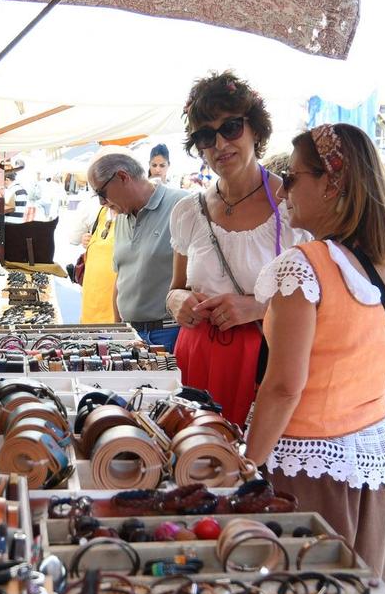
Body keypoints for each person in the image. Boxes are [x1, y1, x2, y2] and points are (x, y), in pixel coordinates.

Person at [243, 124, 385, 586]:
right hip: (373, 462)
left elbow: (284, 385)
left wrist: (247, 465)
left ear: (332, 182)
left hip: (308, 467)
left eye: (294, 176)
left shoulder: (305, 266)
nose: (284, 187)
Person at [166, 72, 309, 425]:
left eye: (230, 127)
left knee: (247, 465)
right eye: (205, 135)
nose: (219, 144)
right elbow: (175, 288)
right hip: (195, 352)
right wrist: (176, 302)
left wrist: (258, 307)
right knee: (194, 456)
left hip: (263, 358)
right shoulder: (188, 211)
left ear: (255, 129)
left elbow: (323, 304)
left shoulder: (294, 208)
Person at [89, 151, 179, 350]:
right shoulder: (122, 214)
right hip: (131, 334)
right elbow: (121, 276)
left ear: (122, 177)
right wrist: (118, 327)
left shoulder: (180, 205)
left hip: (168, 333)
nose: (102, 203)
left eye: (101, 194)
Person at [67, 185, 119, 325]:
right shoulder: (101, 212)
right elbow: (75, 239)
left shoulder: (129, 216)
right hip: (92, 301)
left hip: (113, 306)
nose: (102, 201)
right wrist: (88, 240)